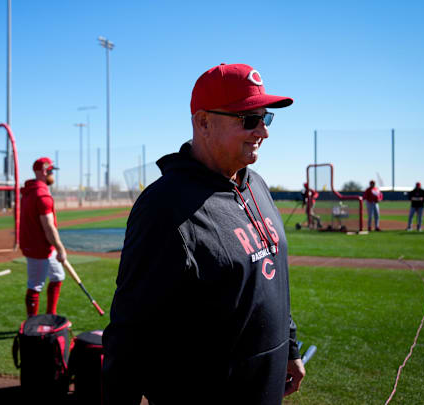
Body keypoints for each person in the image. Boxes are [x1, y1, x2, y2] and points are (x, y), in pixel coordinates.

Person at [102, 63, 305, 404]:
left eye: (265, 118)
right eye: (249, 119)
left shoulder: (256, 185)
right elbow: (130, 333)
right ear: (203, 122)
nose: (263, 132)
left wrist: (290, 346)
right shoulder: (164, 206)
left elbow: (269, 278)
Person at [19, 157, 67, 317]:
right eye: (52, 171)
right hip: (39, 247)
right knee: (35, 285)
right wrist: (60, 249)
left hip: (40, 245)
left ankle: (50, 316)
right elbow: (48, 227)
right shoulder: (41, 195)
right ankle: (31, 324)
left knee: (58, 275)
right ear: (45, 171)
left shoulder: (29, 191)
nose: (53, 174)